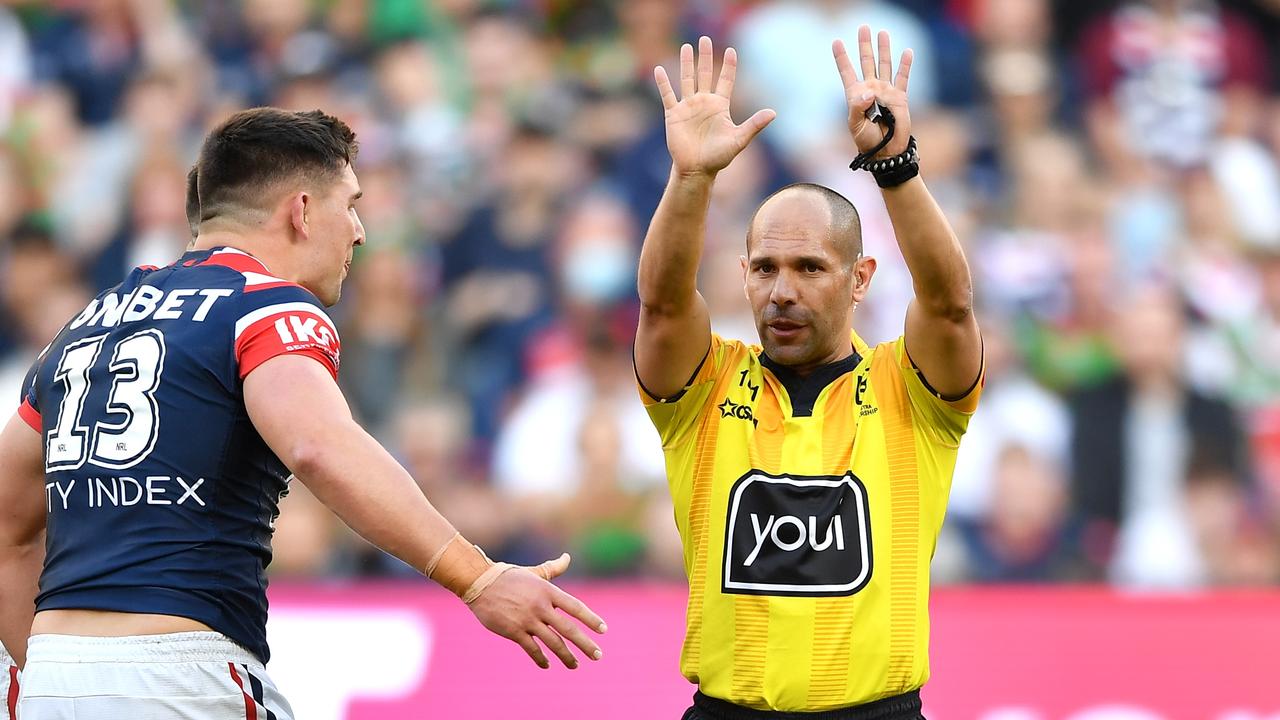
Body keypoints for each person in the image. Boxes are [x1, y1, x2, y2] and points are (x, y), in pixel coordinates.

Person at [0, 107, 606, 720]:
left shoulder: (80, 326)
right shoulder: (266, 306)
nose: (360, 230)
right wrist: (477, 578)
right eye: (351, 203)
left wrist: (61, 677)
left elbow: (6, 525)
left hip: (53, 674)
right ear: (302, 210)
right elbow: (319, 446)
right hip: (180, 673)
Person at [635, 30, 983, 718]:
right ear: (743, 276)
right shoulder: (705, 389)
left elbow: (948, 304)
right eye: (765, 268)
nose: (782, 290)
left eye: (810, 268)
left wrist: (897, 168)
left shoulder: (911, 392)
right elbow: (664, 303)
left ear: (860, 280)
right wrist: (692, 178)